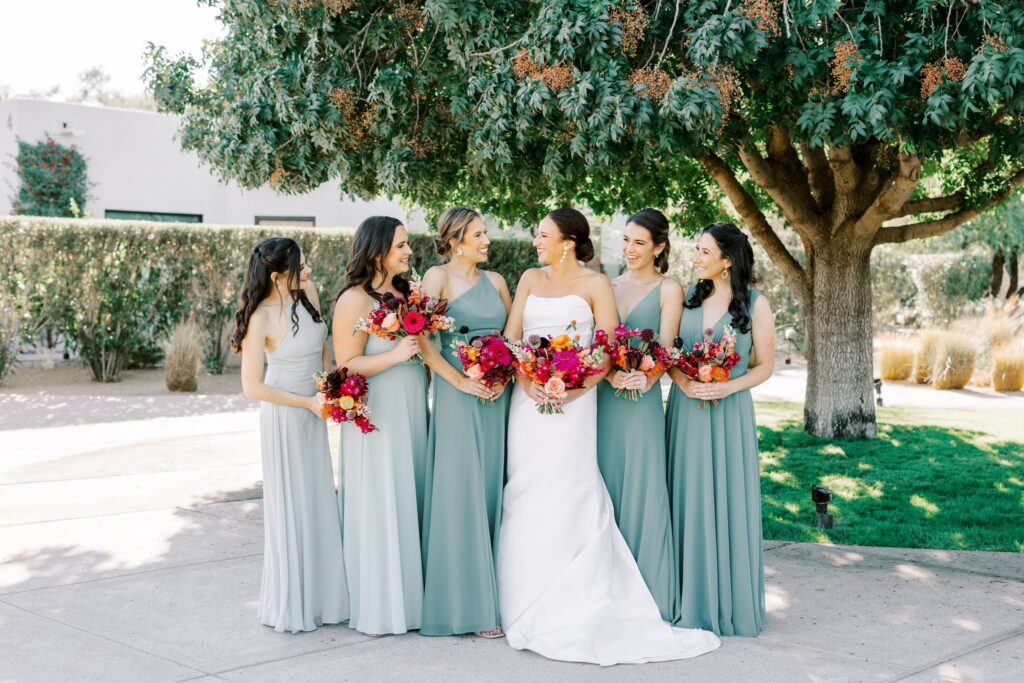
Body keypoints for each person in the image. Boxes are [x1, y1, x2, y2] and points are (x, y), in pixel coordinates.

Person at [496, 207, 720, 664]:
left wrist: (570, 391)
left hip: (575, 404)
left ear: (568, 241)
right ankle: (519, 594)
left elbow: (605, 352)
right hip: (529, 401)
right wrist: (532, 384)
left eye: (543, 235)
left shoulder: (598, 284)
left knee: (570, 488)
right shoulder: (527, 280)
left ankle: (575, 596)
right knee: (525, 489)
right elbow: (512, 341)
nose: (536, 241)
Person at [666, 222, 775, 637]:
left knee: (728, 499)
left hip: (729, 414)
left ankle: (729, 601)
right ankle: (689, 599)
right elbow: (670, 354)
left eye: (704, 252)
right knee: (687, 497)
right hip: (686, 410)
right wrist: (685, 384)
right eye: (696, 250)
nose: (695, 257)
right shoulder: (687, 300)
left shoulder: (756, 305)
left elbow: (763, 365)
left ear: (727, 261)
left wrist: (726, 386)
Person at [233, 236, 348, 633]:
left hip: (316, 407)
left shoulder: (309, 294)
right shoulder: (259, 318)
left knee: (319, 499)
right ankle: (294, 603)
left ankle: (326, 600)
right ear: (280, 275)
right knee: (292, 505)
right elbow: (252, 387)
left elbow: (323, 349)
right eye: (301, 265)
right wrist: (306, 404)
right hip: (284, 414)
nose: (309, 269)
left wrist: (332, 388)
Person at [418, 207, 512, 638]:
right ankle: (465, 605)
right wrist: (459, 381)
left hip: (498, 395)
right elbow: (422, 341)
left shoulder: (497, 283)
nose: (486, 239)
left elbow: (513, 338)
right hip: (458, 396)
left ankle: (500, 594)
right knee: (462, 491)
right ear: (456, 239)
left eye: (485, 233)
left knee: (493, 486)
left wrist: (502, 375)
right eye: (478, 234)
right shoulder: (436, 278)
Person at [331, 216, 426, 635]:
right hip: (378, 411)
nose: (408, 251)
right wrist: (396, 355)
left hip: (410, 406)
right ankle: (382, 603)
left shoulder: (408, 293)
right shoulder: (354, 299)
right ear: (377, 252)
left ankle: (415, 595)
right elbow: (346, 364)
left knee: (410, 489)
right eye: (401, 245)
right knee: (383, 494)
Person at [596, 208, 682, 622]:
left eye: (639, 243)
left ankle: (650, 596)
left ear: (659, 248)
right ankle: (605, 590)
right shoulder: (606, 286)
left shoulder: (669, 290)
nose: (629, 249)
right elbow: (595, 345)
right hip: (605, 400)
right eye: (626, 240)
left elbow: (664, 349)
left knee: (644, 487)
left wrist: (645, 381)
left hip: (643, 401)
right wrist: (612, 375)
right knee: (604, 486)